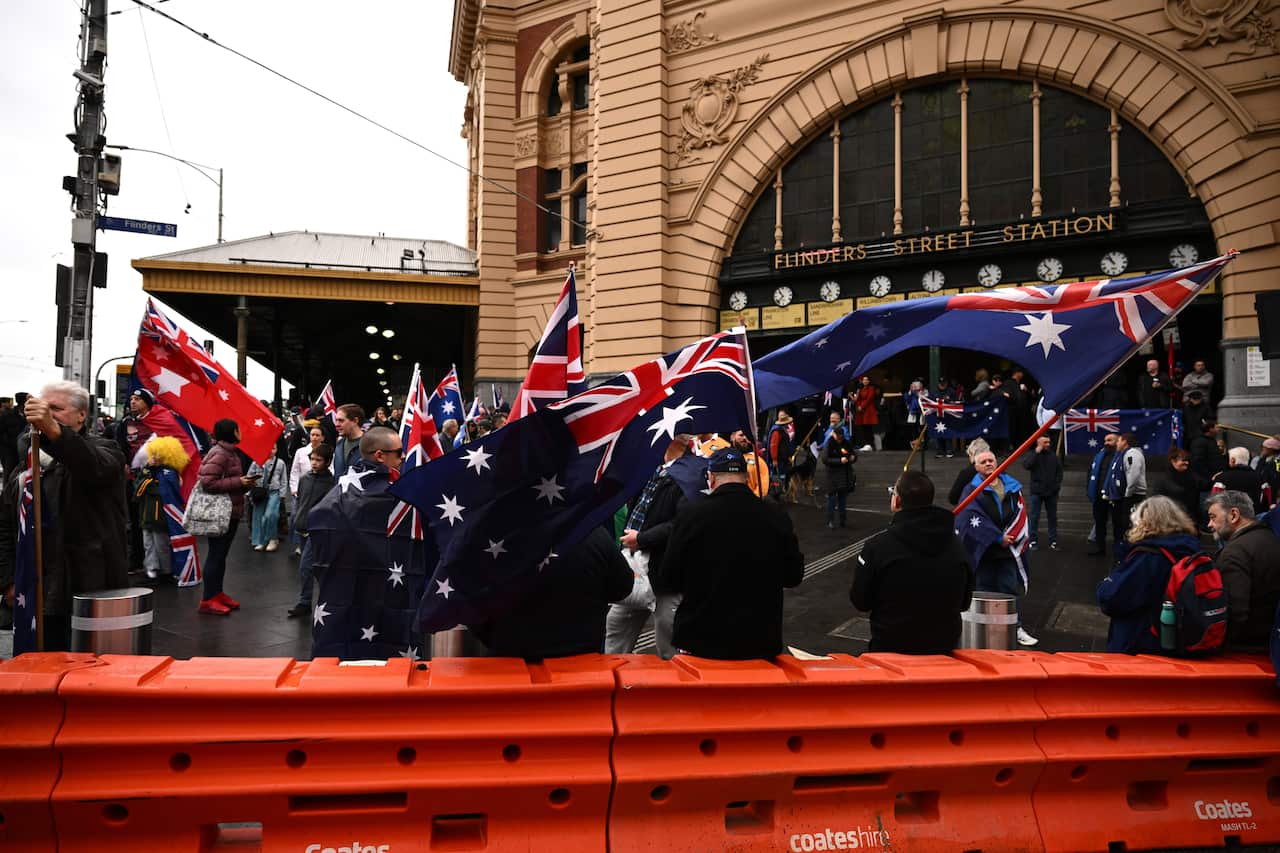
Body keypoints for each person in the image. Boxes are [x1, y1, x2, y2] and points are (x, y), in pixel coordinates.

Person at [0, 382, 128, 650]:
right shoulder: (24, 467)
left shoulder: (106, 449)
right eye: (43, 408)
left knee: (87, 674)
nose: (47, 414)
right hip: (35, 591)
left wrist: (53, 431)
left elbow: (91, 465)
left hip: (88, 589)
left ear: (82, 415)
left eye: (56, 408)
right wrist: (9, 580)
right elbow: (6, 527)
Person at [664, 447, 805, 659]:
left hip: (700, 640)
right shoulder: (775, 515)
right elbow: (793, 576)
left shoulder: (691, 515)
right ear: (748, 478)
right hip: (759, 642)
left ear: (710, 478)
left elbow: (669, 577)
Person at [309, 427, 430, 660]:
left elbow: (317, 521)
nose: (403, 456)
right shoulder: (395, 497)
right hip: (386, 584)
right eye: (398, 452)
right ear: (379, 456)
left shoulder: (342, 486)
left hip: (348, 583)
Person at [851, 471, 973, 654]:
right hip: (943, 649)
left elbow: (860, 600)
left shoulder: (877, 547)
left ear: (897, 501)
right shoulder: (957, 545)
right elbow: (965, 602)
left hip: (890, 647)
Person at [606, 435, 706, 658]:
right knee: (614, 630)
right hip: (635, 566)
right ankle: (610, 684)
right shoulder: (652, 466)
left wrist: (643, 538)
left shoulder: (692, 474)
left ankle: (674, 690)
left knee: (668, 645)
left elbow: (683, 524)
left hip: (666, 572)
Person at [472, 521, 633, 659]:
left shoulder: (494, 538)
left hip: (508, 663)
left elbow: (472, 607)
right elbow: (622, 587)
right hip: (582, 665)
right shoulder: (592, 531)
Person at [1096, 496, 1201, 654]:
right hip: (1174, 637)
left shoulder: (1148, 557)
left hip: (1141, 641)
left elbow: (1112, 598)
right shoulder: (1189, 550)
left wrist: (1105, 585)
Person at [956, 450, 1038, 646]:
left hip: (1009, 550)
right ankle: (983, 629)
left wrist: (1013, 537)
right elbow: (968, 517)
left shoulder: (1011, 486)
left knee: (1009, 590)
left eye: (991, 460)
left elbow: (1021, 512)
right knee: (984, 589)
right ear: (975, 466)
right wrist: (996, 537)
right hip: (984, 550)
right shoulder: (971, 489)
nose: (988, 464)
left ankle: (1015, 627)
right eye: (983, 461)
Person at [1207, 490, 1280, 651]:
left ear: (1233, 515)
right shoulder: (1271, 539)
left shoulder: (1235, 552)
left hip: (1248, 649)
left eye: (1213, 517)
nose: (1209, 525)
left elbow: (1235, 613)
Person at [196, 418, 255, 615]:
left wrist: (243, 483)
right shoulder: (221, 453)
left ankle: (217, 593)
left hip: (231, 512)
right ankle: (208, 599)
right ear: (231, 432)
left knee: (220, 556)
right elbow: (207, 482)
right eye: (238, 429)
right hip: (221, 513)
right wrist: (238, 482)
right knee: (215, 554)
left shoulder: (229, 452)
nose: (241, 432)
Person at [133, 436, 192, 582]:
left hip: (161, 516)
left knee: (162, 546)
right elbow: (138, 489)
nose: (154, 457)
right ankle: (151, 571)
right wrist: (147, 474)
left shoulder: (170, 473)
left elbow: (162, 491)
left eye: (157, 454)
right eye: (153, 454)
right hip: (147, 514)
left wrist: (147, 481)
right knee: (148, 545)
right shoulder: (149, 470)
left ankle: (166, 572)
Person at [126, 388, 202, 499]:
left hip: (157, 476)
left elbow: (182, 442)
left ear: (147, 403)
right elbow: (122, 443)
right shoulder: (127, 422)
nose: (132, 402)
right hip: (133, 476)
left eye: (137, 399)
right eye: (131, 399)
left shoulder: (163, 417)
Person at [287, 443, 335, 618]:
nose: (314, 463)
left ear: (328, 461)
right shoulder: (305, 478)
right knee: (310, 567)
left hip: (316, 531)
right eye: (312, 459)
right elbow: (300, 501)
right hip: (302, 527)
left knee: (306, 566)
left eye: (318, 460)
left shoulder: (331, 483)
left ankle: (306, 601)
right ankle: (310, 601)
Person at [1104, 432, 1147, 555]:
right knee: (1122, 525)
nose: (1117, 443)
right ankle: (1123, 552)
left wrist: (1127, 495)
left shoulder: (1132, 454)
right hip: (1127, 496)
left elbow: (1133, 476)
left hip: (1132, 496)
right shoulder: (1124, 454)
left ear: (1125, 442)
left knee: (1128, 526)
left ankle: (1128, 553)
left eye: (1119, 441)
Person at [1021, 434, 1063, 550]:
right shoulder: (1032, 455)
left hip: (1051, 492)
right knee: (1034, 517)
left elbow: (1059, 473)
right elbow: (1026, 465)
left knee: (1052, 517)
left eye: (1049, 442)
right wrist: (1036, 452)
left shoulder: (1054, 456)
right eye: (1045, 443)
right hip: (1037, 492)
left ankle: (1053, 541)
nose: (1048, 445)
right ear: (1039, 443)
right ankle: (1032, 540)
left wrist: (1056, 487)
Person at [247, 449, 288, 552]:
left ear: (277, 449)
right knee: (258, 516)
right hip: (260, 492)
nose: (270, 450)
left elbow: (283, 479)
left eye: (273, 448)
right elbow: (249, 477)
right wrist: (249, 492)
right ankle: (260, 541)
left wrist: (282, 494)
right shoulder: (256, 462)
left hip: (274, 492)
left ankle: (272, 538)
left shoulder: (280, 463)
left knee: (270, 515)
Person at [1149, 447, 1205, 523]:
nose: (1187, 463)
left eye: (1187, 460)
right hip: (1172, 520)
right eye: (1183, 460)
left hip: (1191, 518)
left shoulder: (1192, 476)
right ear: (1173, 461)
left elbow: (1203, 485)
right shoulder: (1162, 479)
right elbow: (1155, 500)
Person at [1086, 433, 1119, 555]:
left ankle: (1118, 550)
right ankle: (1100, 548)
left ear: (1117, 441)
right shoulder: (1099, 455)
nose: (1106, 443)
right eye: (1105, 440)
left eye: (1110, 440)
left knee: (1118, 524)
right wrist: (1088, 489)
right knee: (1100, 523)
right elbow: (1090, 473)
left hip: (1115, 496)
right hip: (1099, 496)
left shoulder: (1121, 456)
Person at [1211, 447, 1271, 513]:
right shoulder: (1261, 478)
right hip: (1253, 517)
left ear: (1232, 460)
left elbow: (1214, 501)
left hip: (1229, 517)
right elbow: (1267, 501)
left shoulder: (1222, 478)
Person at [821, 422, 856, 528]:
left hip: (844, 475)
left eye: (841, 436)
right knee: (831, 499)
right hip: (832, 475)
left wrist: (853, 457)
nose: (840, 438)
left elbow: (853, 453)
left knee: (842, 500)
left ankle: (842, 520)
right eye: (838, 436)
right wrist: (839, 460)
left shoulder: (846, 443)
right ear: (834, 435)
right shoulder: (829, 443)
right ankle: (830, 520)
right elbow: (825, 459)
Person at [947, 438, 990, 506]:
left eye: (969, 455)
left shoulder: (966, 473)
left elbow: (953, 498)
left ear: (973, 454)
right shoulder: (998, 470)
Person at [728, 429, 770, 498]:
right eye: (741, 435)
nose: (744, 438)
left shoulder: (758, 461)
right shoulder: (724, 458)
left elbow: (762, 487)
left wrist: (750, 501)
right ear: (732, 437)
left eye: (746, 436)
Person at [766, 411, 796, 497]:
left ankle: (780, 491)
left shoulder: (782, 429)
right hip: (779, 459)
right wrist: (774, 459)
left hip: (783, 458)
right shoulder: (777, 431)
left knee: (782, 475)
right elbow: (773, 446)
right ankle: (775, 493)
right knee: (777, 476)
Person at [332, 403, 365, 478]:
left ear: (355, 421)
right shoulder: (339, 444)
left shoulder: (370, 444)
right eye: (336, 420)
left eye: (341, 420)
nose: (337, 424)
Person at [0, 392, 27, 477]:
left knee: (23, 476)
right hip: (9, 453)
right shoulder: (6, 415)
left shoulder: (28, 415)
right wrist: (11, 443)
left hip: (24, 452)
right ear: (21, 404)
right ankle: (7, 490)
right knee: (9, 475)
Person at [853, 375, 879, 451]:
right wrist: (858, 406)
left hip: (868, 410)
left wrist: (862, 406)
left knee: (868, 428)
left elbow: (869, 399)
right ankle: (865, 444)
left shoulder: (871, 388)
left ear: (869, 381)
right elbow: (857, 399)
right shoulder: (860, 389)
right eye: (864, 380)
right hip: (861, 411)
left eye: (866, 380)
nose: (865, 381)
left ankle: (870, 444)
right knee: (863, 427)